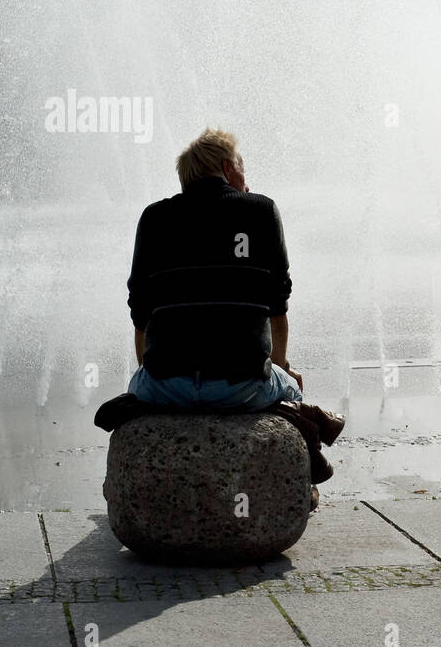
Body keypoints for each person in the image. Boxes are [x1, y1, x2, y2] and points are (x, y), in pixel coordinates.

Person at [123, 128, 342, 501]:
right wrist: (283, 366)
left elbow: (140, 316)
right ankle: (298, 480)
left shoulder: (153, 218)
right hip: (242, 386)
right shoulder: (261, 210)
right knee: (289, 384)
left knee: (136, 385)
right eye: (242, 166)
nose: (247, 177)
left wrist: (153, 372)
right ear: (226, 167)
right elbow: (278, 306)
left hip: (165, 386)